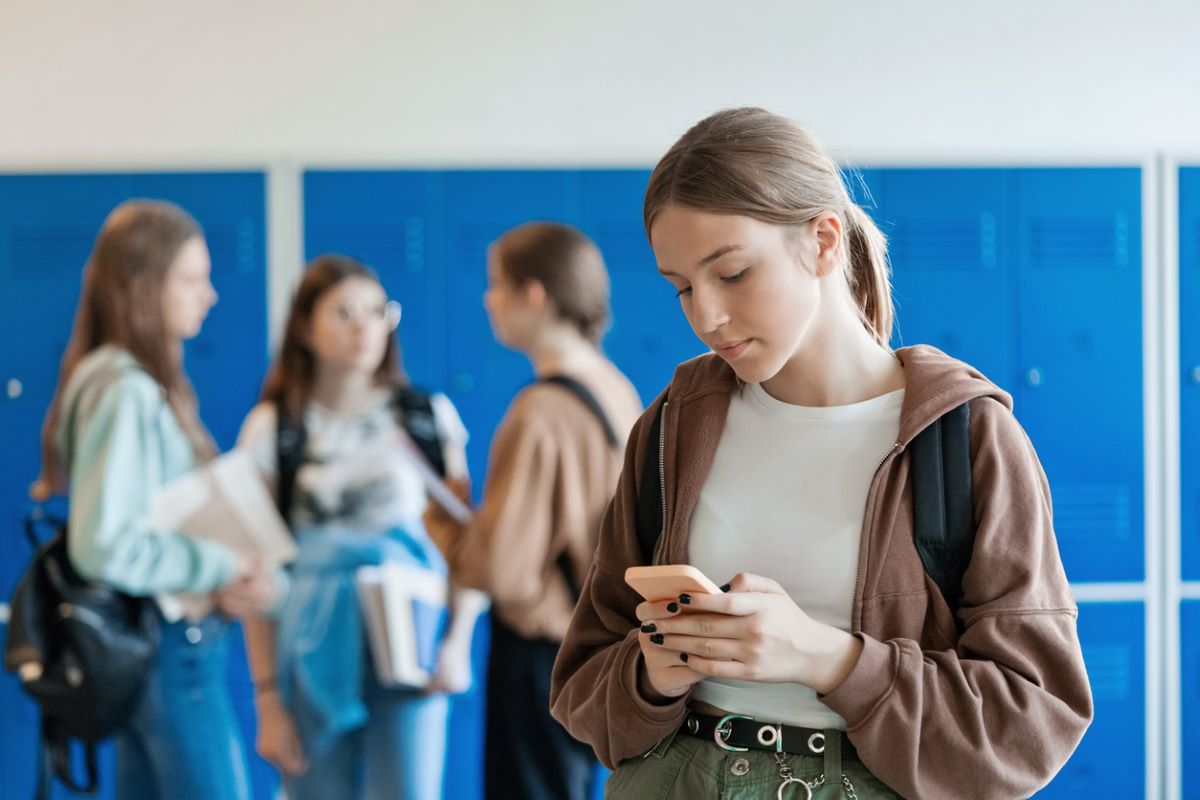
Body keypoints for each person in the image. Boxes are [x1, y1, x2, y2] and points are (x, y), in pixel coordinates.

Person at [549, 107, 1093, 800]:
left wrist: (828, 659)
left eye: (734, 273)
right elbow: (582, 687)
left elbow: (1031, 722)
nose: (705, 315)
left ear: (824, 241)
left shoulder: (967, 439)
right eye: (682, 286)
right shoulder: (670, 428)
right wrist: (655, 669)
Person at [32, 199, 275, 800]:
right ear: (143, 286)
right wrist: (221, 564)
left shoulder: (125, 381)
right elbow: (105, 545)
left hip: (166, 649)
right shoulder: (126, 392)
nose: (209, 295)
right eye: (191, 279)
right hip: (173, 653)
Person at [237, 254, 486, 800]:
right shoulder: (272, 428)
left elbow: (468, 544)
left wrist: (457, 641)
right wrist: (268, 699)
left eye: (377, 312)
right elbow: (256, 570)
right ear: (305, 326)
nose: (364, 326)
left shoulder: (426, 416)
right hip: (308, 644)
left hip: (410, 642)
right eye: (344, 312)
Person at [425, 222, 643, 800]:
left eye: (496, 284)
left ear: (535, 295)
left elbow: (499, 570)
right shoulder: (613, 387)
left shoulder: (540, 410)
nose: (486, 299)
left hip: (540, 658)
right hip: (598, 640)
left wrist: (440, 514)